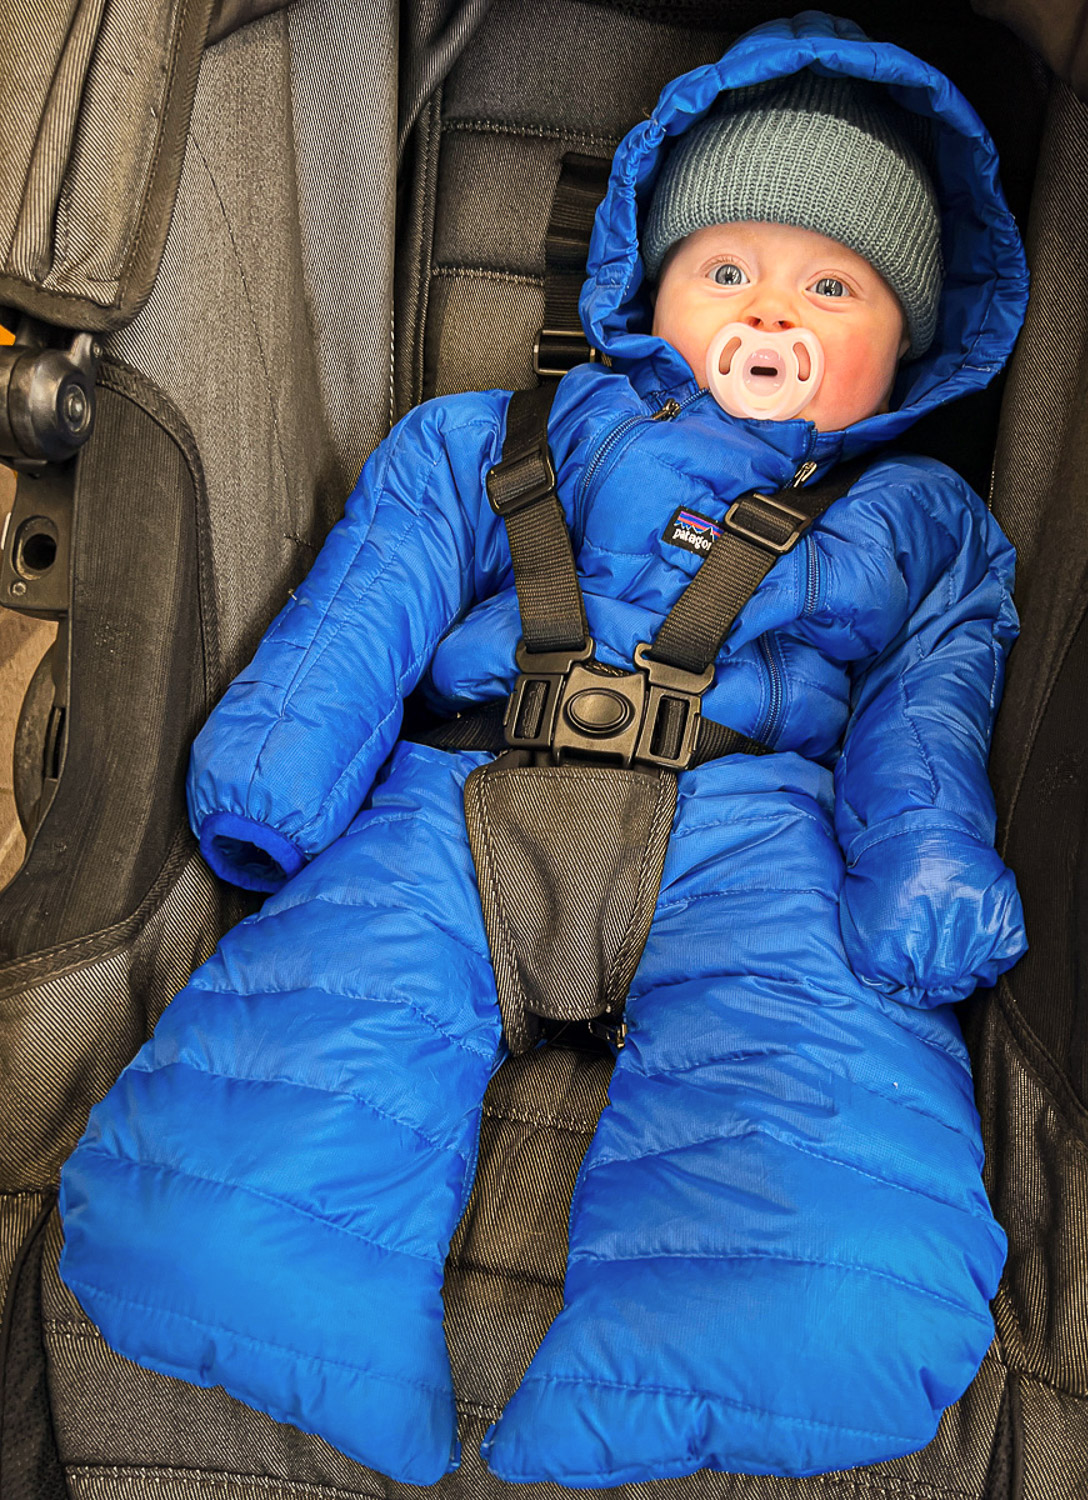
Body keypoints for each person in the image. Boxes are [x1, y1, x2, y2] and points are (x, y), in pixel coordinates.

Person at [59, 12, 1029, 1490]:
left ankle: (742, 1324)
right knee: (316, 1038)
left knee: (810, 1087)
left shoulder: (918, 524)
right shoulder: (496, 434)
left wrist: (925, 867)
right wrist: (278, 764)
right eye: (726, 271)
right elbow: (372, 595)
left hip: (757, 827)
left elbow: (928, 719)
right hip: (463, 784)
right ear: (650, 285)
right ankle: (272, 1284)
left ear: (911, 343)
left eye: (831, 286)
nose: (768, 314)